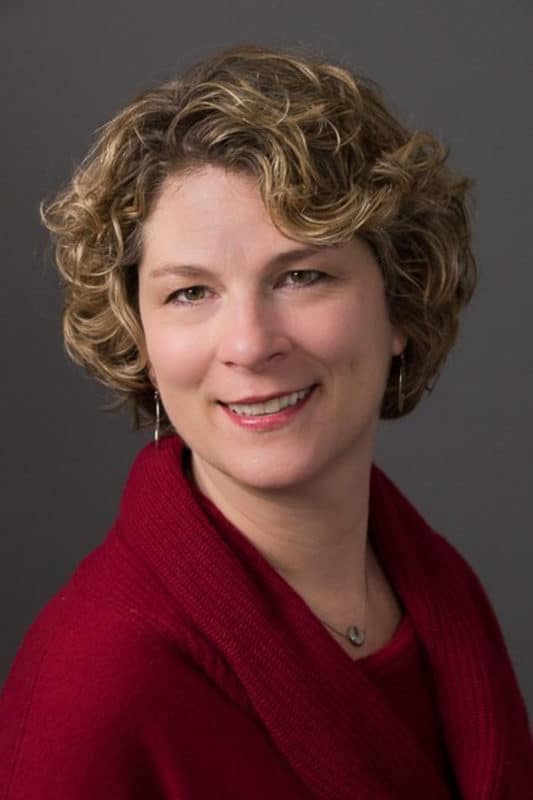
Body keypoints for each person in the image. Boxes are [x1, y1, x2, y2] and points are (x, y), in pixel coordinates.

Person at [0, 44, 531, 799]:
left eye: (302, 275)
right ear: (138, 337)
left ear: (399, 305)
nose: (249, 345)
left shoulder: (440, 591)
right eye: (189, 293)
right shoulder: (96, 683)